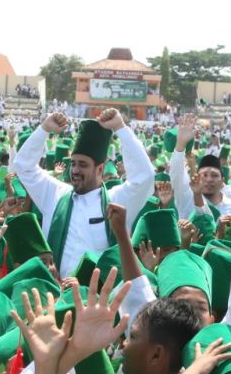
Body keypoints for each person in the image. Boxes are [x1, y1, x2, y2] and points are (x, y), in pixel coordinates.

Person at [12, 110, 154, 277]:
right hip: (58, 296)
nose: (75, 170)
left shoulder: (117, 201)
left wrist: (120, 128)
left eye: (83, 165)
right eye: (73, 164)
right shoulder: (55, 195)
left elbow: (145, 177)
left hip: (102, 297)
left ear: (100, 169)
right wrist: (44, 129)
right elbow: (23, 166)